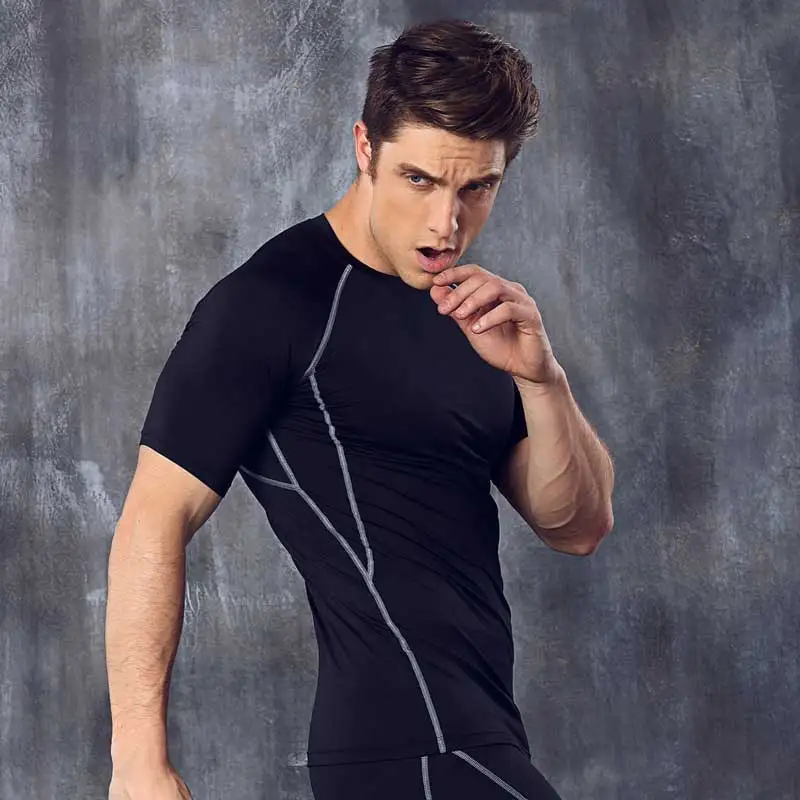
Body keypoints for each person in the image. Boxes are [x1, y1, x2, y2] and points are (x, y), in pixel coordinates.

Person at [105, 18, 615, 800]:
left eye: (476, 188)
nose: (446, 223)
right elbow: (153, 516)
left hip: (476, 738)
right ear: (365, 148)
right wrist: (139, 763)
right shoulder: (272, 303)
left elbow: (577, 526)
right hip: (401, 750)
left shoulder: (469, 315)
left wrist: (543, 382)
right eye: (420, 180)